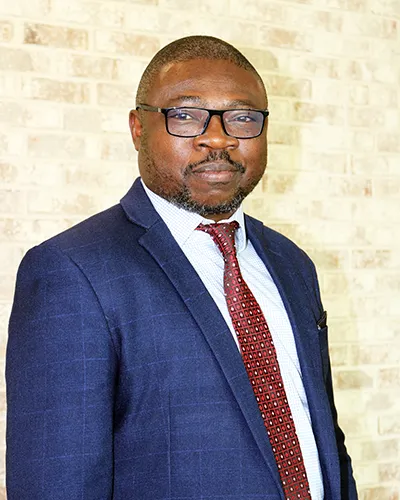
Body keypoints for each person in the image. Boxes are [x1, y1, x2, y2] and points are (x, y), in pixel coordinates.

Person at [6, 35, 357, 500]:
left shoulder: (293, 265)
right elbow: (57, 481)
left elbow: (321, 435)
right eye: (186, 115)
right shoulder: (72, 271)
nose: (219, 137)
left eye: (243, 117)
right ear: (137, 127)